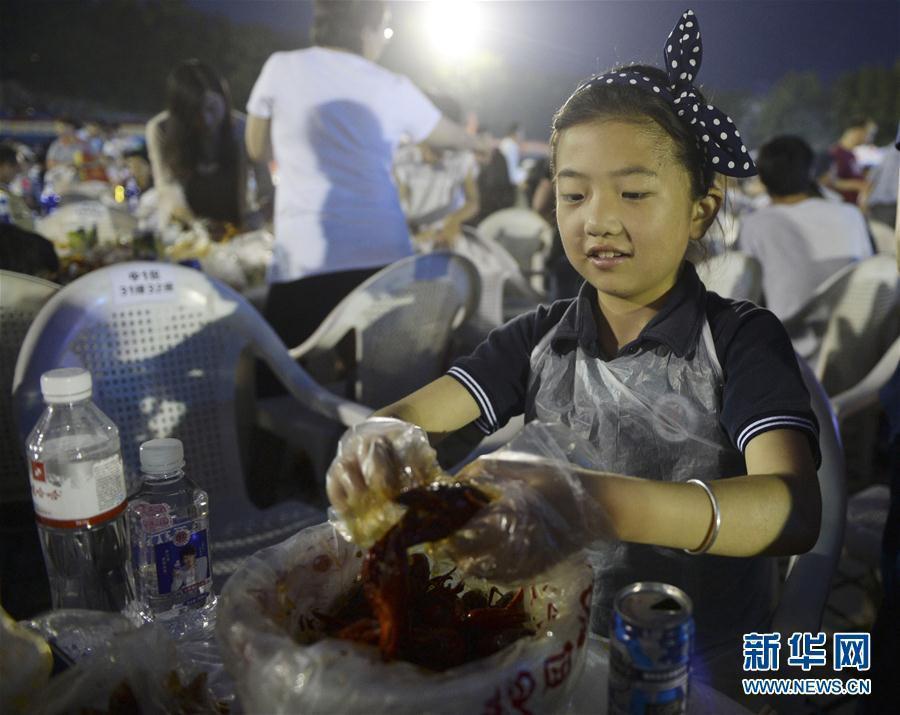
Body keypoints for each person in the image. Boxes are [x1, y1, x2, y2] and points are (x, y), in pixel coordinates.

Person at [326, 10, 821, 699]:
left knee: (826, 677)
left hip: (703, 663)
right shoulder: (540, 336)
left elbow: (793, 508)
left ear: (701, 209)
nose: (599, 219)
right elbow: (416, 415)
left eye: (634, 192)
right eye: (574, 194)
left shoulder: (739, 340)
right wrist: (377, 442)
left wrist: (597, 503)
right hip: (551, 649)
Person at [245, 0, 487, 354]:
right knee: (386, 371)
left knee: (285, 374)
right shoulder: (391, 85)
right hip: (384, 262)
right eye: (384, 29)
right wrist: (479, 143)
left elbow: (255, 148)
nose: (385, 39)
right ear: (364, 30)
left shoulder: (281, 67)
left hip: (305, 258)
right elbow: (449, 134)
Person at [738, 135, 873, 322]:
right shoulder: (850, 214)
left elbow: (746, 296)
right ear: (811, 171)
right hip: (861, 330)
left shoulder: (755, 224)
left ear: (762, 178)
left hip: (790, 334)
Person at [146, 59, 268, 230]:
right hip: (182, 233)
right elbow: (166, 185)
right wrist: (194, 223)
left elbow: (267, 189)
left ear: (224, 100)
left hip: (236, 231)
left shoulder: (243, 129)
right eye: (195, 112)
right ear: (180, 112)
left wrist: (257, 217)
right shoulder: (160, 129)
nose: (206, 119)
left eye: (212, 108)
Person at [394, 94, 480, 249]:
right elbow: (399, 209)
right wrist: (420, 235)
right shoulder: (403, 160)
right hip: (411, 239)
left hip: (448, 239)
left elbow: (472, 201)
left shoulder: (462, 158)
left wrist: (453, 221)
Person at [822, 116, 876, 205]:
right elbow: (829, 181)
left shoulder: (851, 155)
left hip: (852, 207)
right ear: (858, 131)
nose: (871, 138)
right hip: (841, 207)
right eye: (870, 133)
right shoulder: (835, 154)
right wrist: (857, 185)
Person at [0, 142, 35, 231]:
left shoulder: (8, 191)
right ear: (3, 166)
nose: (17, 170)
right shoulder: (2, 196)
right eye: (13, 165)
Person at [499, 122, 526, 186]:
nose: (522, 136)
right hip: (508, 183)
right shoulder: (512, 146)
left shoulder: (505, 142)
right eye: (521, 133)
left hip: (503, 180)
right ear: (516, 133)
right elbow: (511, 174)